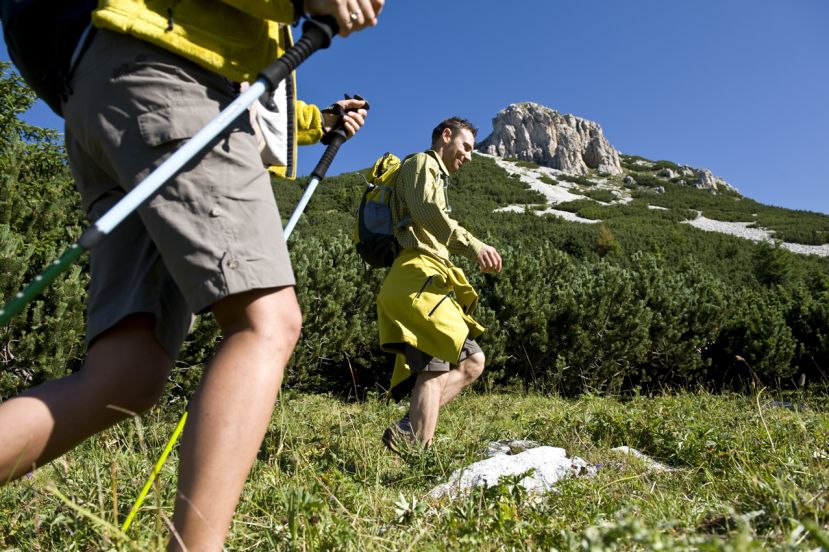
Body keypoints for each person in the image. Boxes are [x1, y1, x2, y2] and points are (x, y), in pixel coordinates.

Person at [0, 0, 383, 549]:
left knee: (125, 376)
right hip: (170, 81)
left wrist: (318, 122)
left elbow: (251, 82)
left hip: (107, 90)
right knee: (267, 322)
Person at [377, 117, 503, 453]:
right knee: (436, 365)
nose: (470, 156)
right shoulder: (422, 163)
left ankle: (406, 430)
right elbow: (426, 210)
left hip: (425, 280)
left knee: (471, 362)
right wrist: (474, 244)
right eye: (466, 146)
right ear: (446, 136)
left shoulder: (435, 175)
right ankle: (419, 455)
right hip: (415, 276)